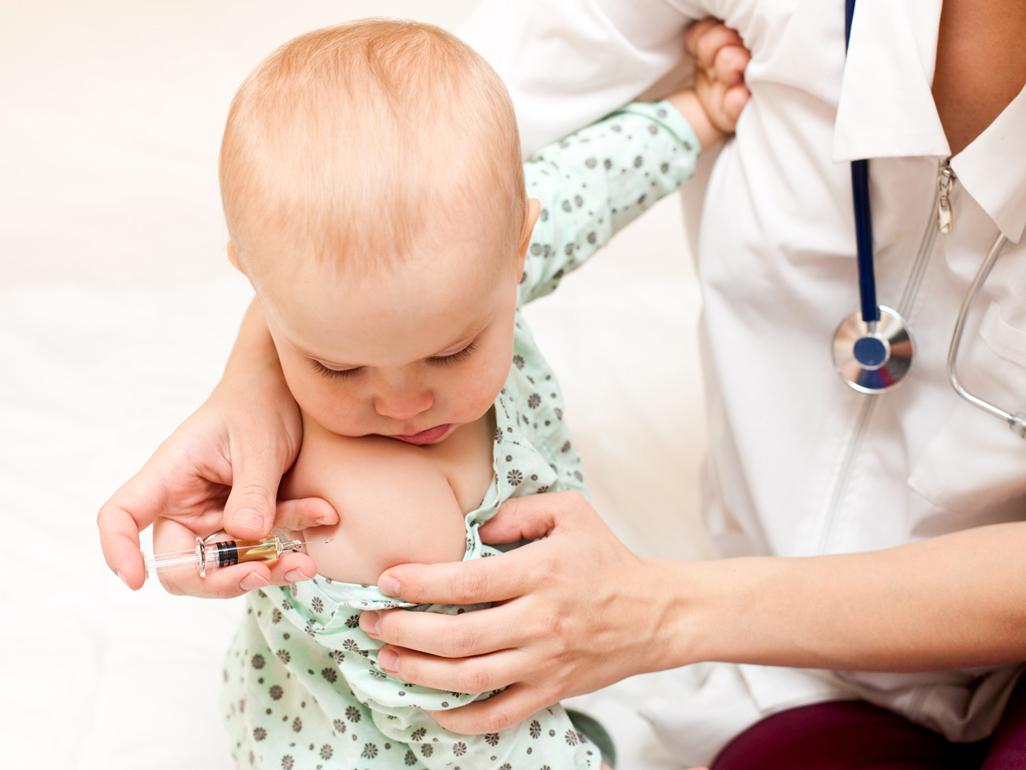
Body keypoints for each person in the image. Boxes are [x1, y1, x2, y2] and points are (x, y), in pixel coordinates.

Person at [98, 16, 748, 770]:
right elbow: (473, 715)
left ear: (516, 247)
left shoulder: (452, 262)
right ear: (257, 285)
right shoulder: (378, 515)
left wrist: (694, 116)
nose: (404, 403)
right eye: (338, 368)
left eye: (452, 352)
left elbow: (582, 188)